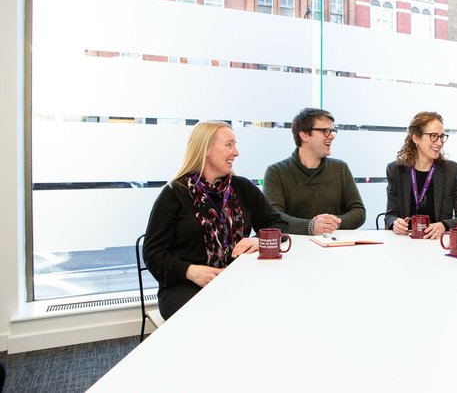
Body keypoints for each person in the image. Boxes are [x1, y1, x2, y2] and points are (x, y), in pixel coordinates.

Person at [143, 121, 287, 319]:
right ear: (206, 149)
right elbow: (153, 254)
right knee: (217, 320)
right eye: (229, 145)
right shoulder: (174, 193)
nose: (236, 152)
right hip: (186, 286)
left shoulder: (242, 188)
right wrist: (190, 271)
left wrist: (259, 240)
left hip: (237, 278)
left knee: (274, 308)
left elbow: (279, 225)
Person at [263, 108, 366, 235]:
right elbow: (273, 216)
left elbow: (359, 212)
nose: (332, 136)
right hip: (294, 249)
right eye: (325, 131)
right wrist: (311, 226)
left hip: (335, 246)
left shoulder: (340, 168)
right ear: (304, 135)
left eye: (332, 130)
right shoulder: (276, 172)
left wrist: (332, 223)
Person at [385, 111, 457, 239]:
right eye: (433, 136)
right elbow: (390, 215)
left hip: (438, 244)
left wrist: (444, 225)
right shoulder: (396, 170)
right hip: (406, 244)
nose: (439, 142)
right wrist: (394, 223)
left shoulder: (452, 171)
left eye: (441, 136)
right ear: (415, 138)